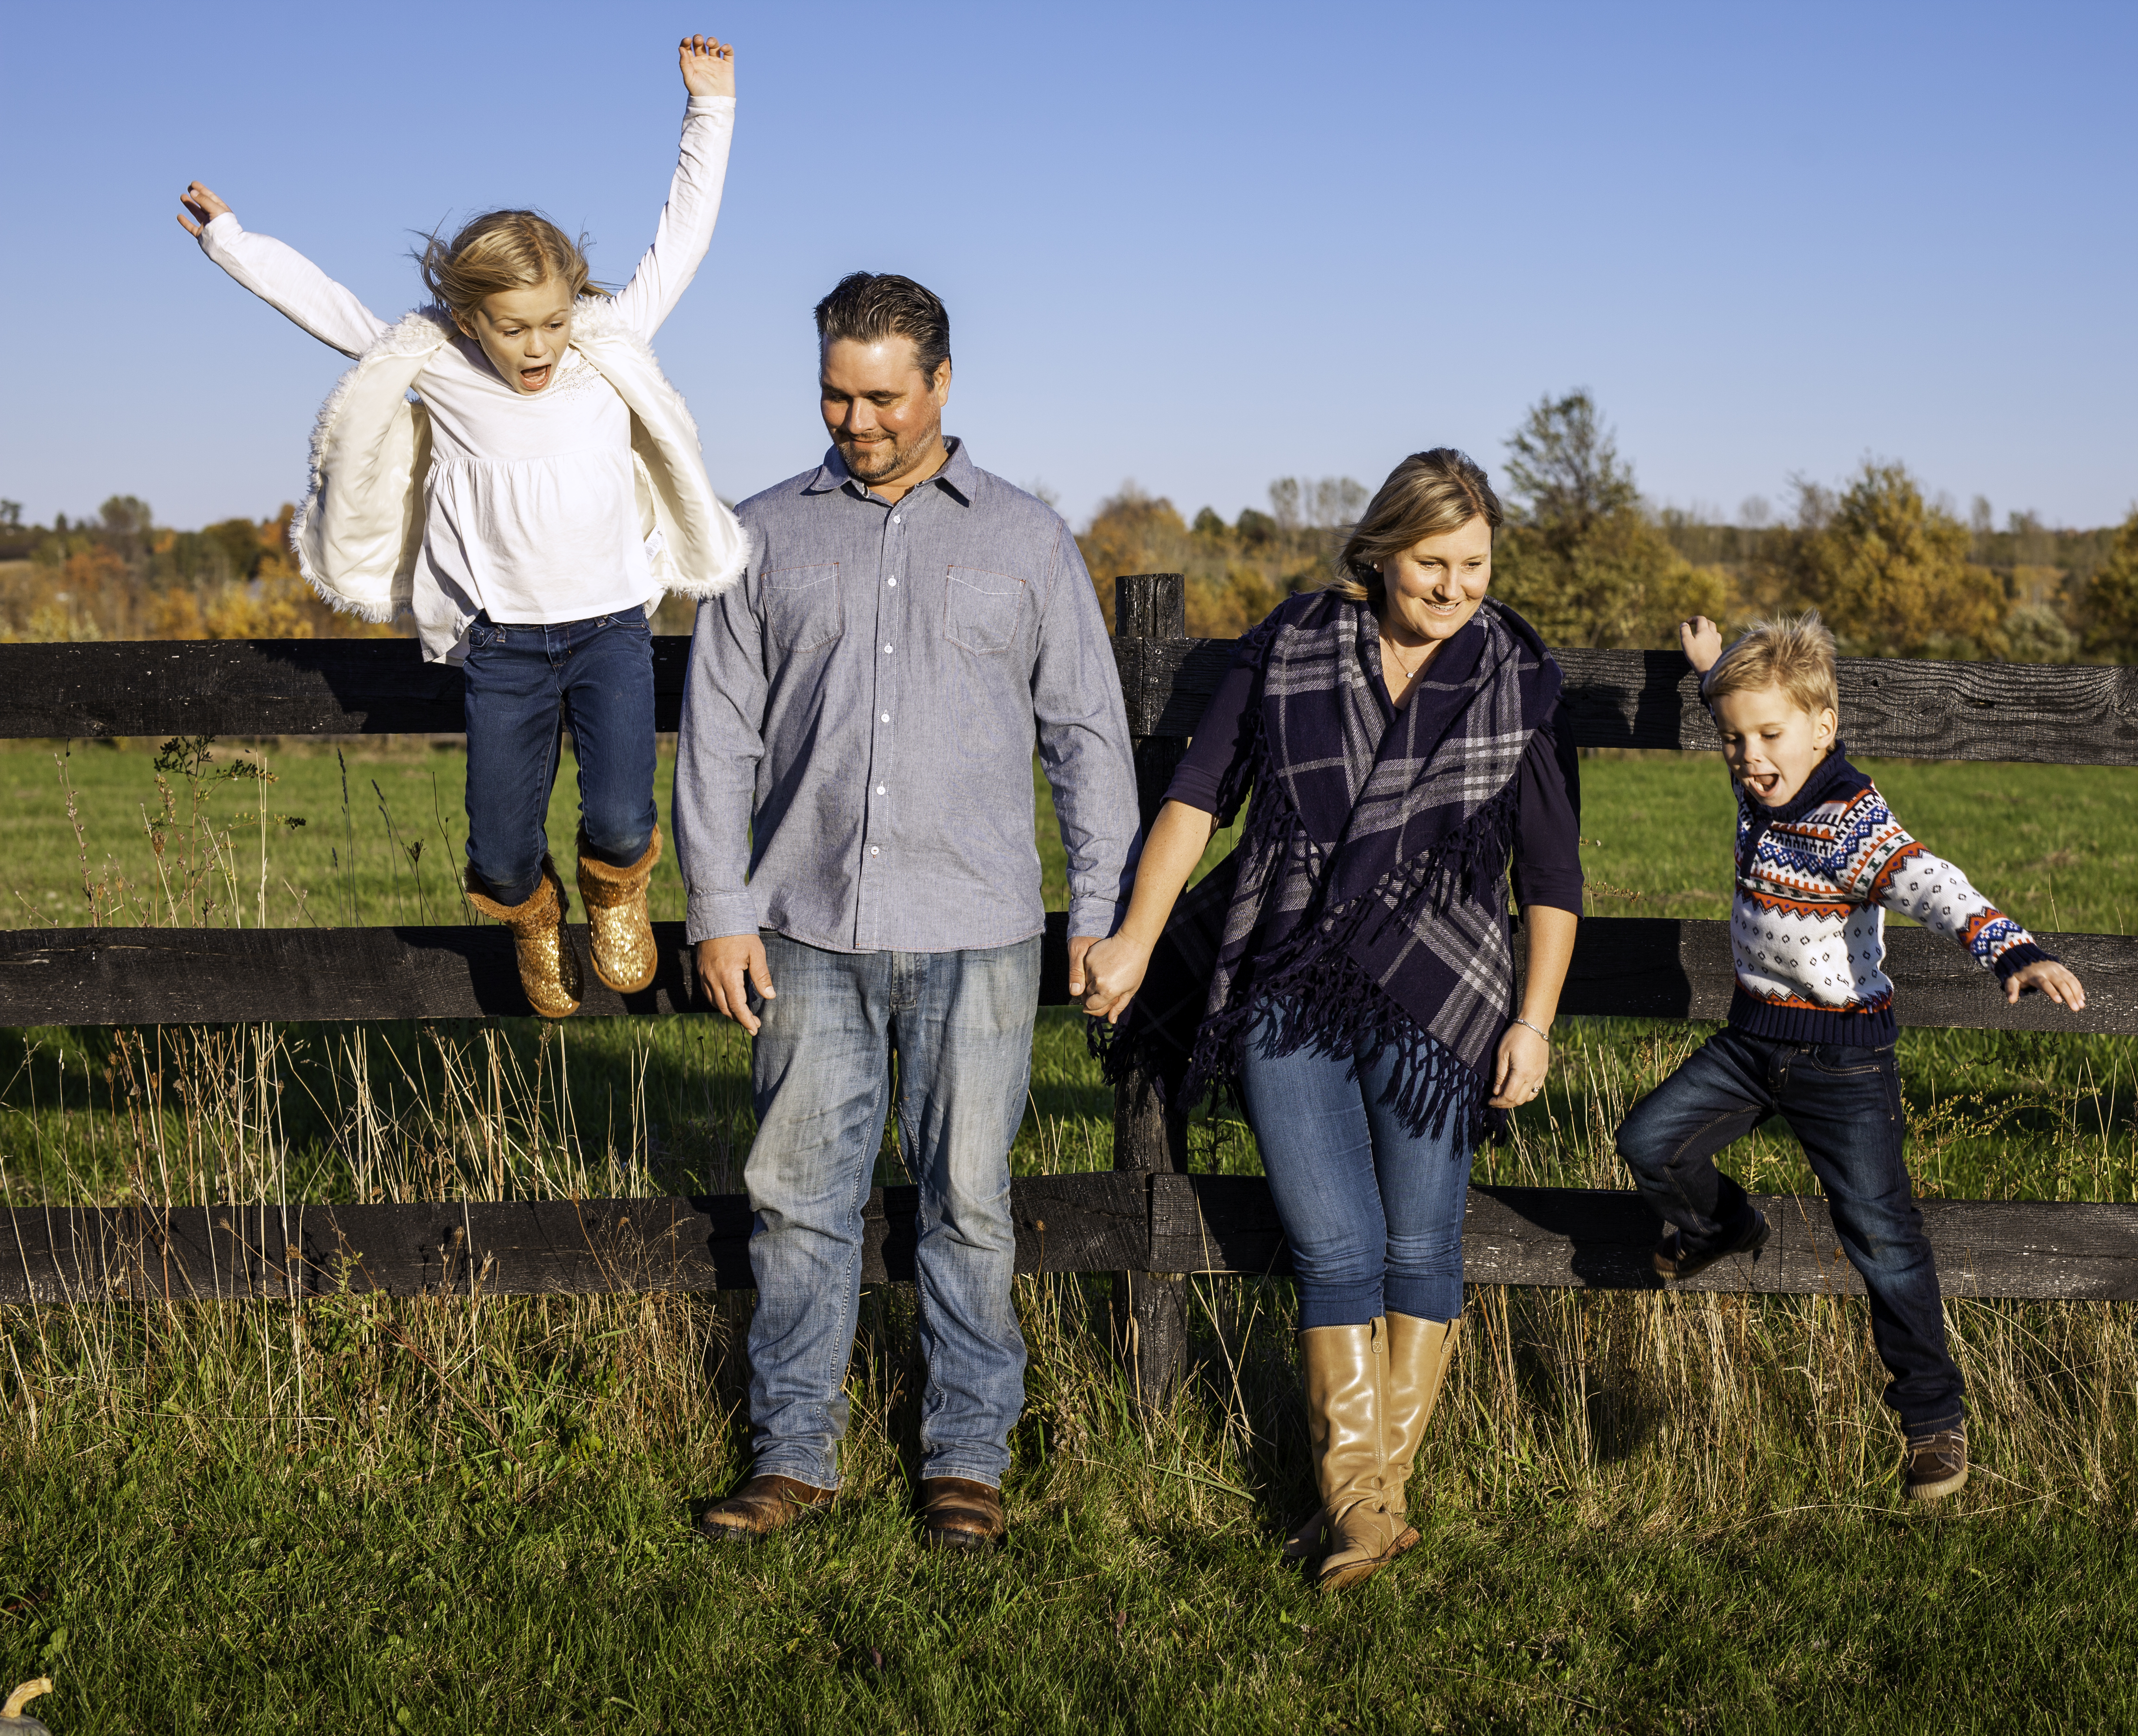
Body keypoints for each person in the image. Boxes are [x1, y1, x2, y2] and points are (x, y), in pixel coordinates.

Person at [676, 272, 1138, 1550]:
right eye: (836, 391)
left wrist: (1097, 910)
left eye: (883, 395)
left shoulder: (1029, 541)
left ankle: (966, 1461)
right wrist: (720, 908)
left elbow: (1089, 741)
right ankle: (793, 1454)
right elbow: (715, 738)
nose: (858, 419)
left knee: (968, 1203)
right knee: (797, 1202)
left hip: (981, 932)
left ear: (941, 384)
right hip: (805, 929)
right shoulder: (758, 538)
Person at [1081, 449, 1581, 1590]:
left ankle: (1362, 1507)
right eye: (1431, 564)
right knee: (1336, 1243)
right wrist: (1138, 939)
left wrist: (1536, 1021)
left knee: (1422, 1243)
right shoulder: (1292, 645)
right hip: (1289, 977)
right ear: (1379, 553)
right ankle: (1365, 1507)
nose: (1455, 589)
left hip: (1445, 988)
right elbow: (1196, 802)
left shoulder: (1518, 681)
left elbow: (1552, 879)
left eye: (1476, 565)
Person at [177, 38, 746, 1017]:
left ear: (578, 306)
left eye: (555, 321)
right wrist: (232, 241)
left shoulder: (608, 348)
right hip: (502, 642)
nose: (538, 347)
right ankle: (532, 917)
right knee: (496, 844)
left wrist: (711, 108)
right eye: (514, 326)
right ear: (467, 314)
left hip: (610, 623)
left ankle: (614, 894)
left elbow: (683, 238)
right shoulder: (436, 361)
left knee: (619, 813)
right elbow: (325, 306)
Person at [1616, 611, 2087, 1501]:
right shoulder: (1763, 791)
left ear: (1823, 729)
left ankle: (1933, 1421)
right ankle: (1724, 1227)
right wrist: (1715, 668)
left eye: (1769, 736)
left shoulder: (1847, 821)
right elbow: (1750, 722)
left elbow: (1928, 879)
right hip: (1753, 1041)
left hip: (1844, 1064)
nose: (1748, 757)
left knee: (1882, 1235)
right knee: (1649, 1142)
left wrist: (2012, 948)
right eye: (1732, 739)